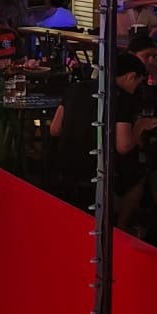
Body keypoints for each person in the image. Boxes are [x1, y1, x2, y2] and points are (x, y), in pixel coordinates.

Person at [111, 51, 157, 228]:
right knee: (138, 176)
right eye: (138, 82)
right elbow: (124, 146)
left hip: (73, 160)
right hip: (105, 166)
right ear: (131, 76)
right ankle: (121, 229)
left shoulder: (85, 87)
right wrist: (140, 129)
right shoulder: (121, 98)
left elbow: (55, 130)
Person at [48, 69, 97, 209]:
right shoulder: (118, 96)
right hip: (96, 166)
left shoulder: (73, 89)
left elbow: (54, 130)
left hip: (65, 162)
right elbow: (123, 147)